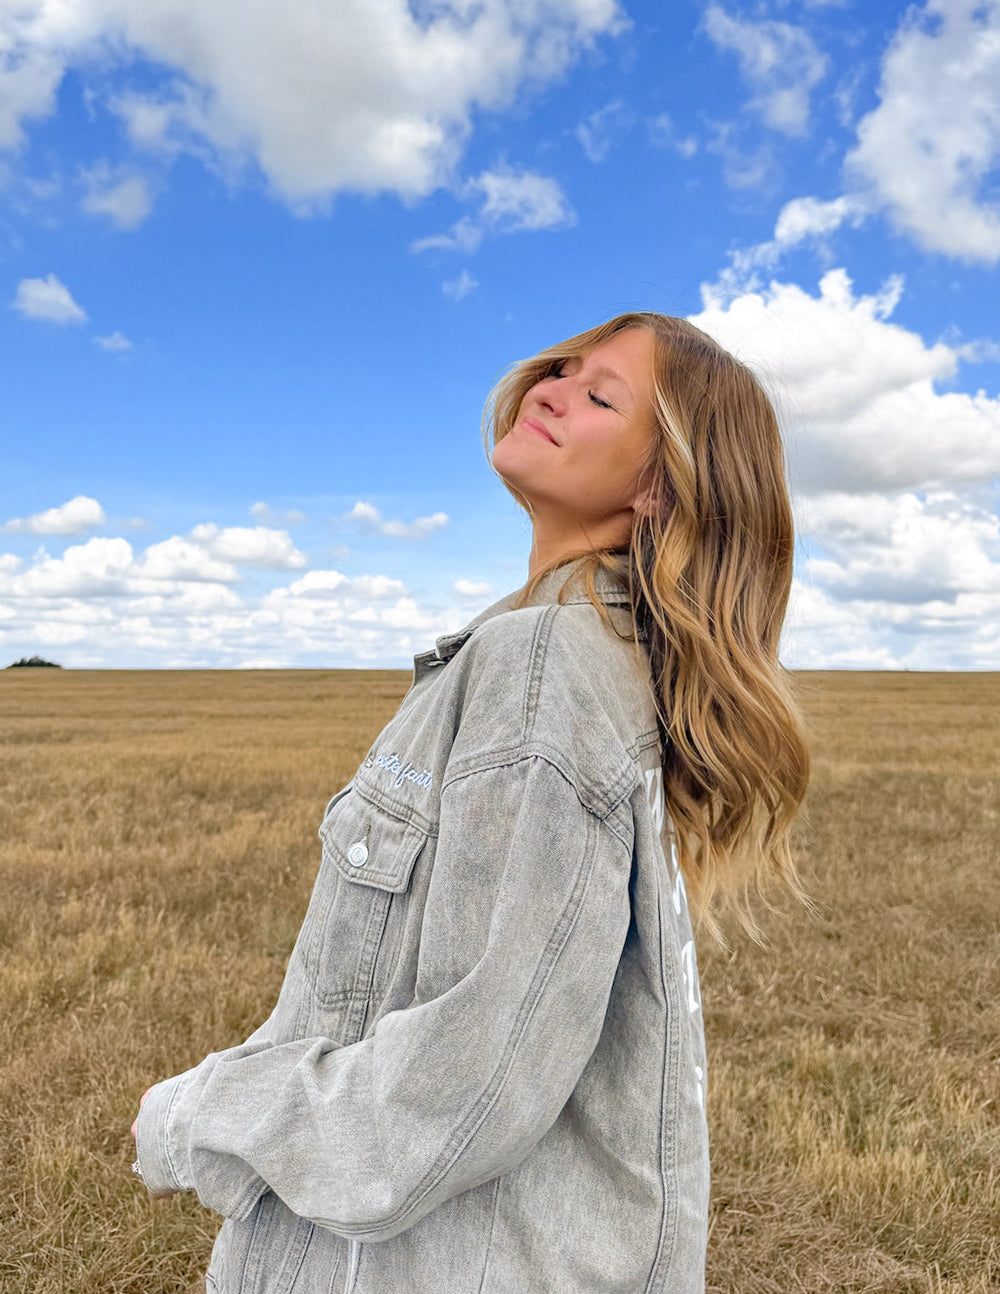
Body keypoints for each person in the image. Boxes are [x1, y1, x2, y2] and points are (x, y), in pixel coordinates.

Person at [131, 312, 810, 1294]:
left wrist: (199, 1114)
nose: (548, 389)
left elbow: (465, 1082)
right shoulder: (570, 655)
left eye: (598, 394)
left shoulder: (542, 666)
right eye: (559, 370)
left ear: (658, 484)